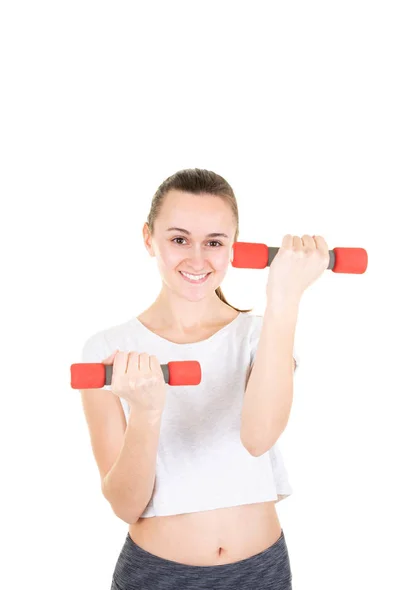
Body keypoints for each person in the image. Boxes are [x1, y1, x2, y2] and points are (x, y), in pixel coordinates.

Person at [79, 168, 329, 589]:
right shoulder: (106, 350)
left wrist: (285, 296)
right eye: (179, 240)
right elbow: (126, 505)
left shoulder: (261, 335)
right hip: (158, 575)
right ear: (148, 239)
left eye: (214, 242)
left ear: (233, 247)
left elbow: (258, 437)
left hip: (259, 573)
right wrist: (146, 412)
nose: (197, 260)